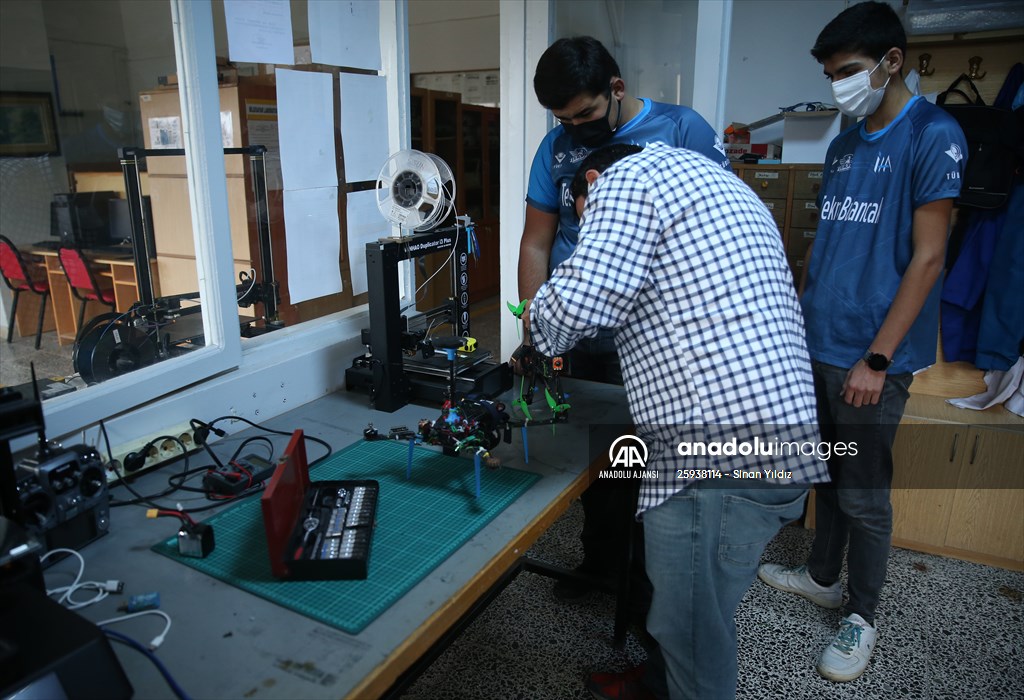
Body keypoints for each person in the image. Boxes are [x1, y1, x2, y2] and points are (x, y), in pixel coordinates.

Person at [522, 141, 829, 700]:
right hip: (777, 441)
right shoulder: (719, 184)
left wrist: (534, 330)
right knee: (694, 609)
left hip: (715, 459)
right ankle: (657, 687)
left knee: (692, 636)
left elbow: (577, 305)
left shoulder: (626, 180)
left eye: (582, 215)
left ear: (591, 181)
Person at [757, 1, 967, 684]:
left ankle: (862, 614)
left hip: (874, 354)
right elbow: (829, 244)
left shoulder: (934, 134)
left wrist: (877, 358)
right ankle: (822, 575)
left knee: (865, 492)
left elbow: (929, 259)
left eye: (848, 70)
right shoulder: (845, 142)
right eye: (830, 72)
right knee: (829, 473)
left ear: (892, 61)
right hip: (820, 338)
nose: (840, 83)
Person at [514, 35, 729, 601]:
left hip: (649, 342)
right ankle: (600, 565)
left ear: (617, 88)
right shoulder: (554, 148)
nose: (575, 128)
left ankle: (647, 585)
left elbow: (713, 235)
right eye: (563, 118)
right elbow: (536, 243)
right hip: (575, 332)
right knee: (594, 458)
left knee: (645, 462)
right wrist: (534, 328)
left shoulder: (683, 131)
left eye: (585, 113)